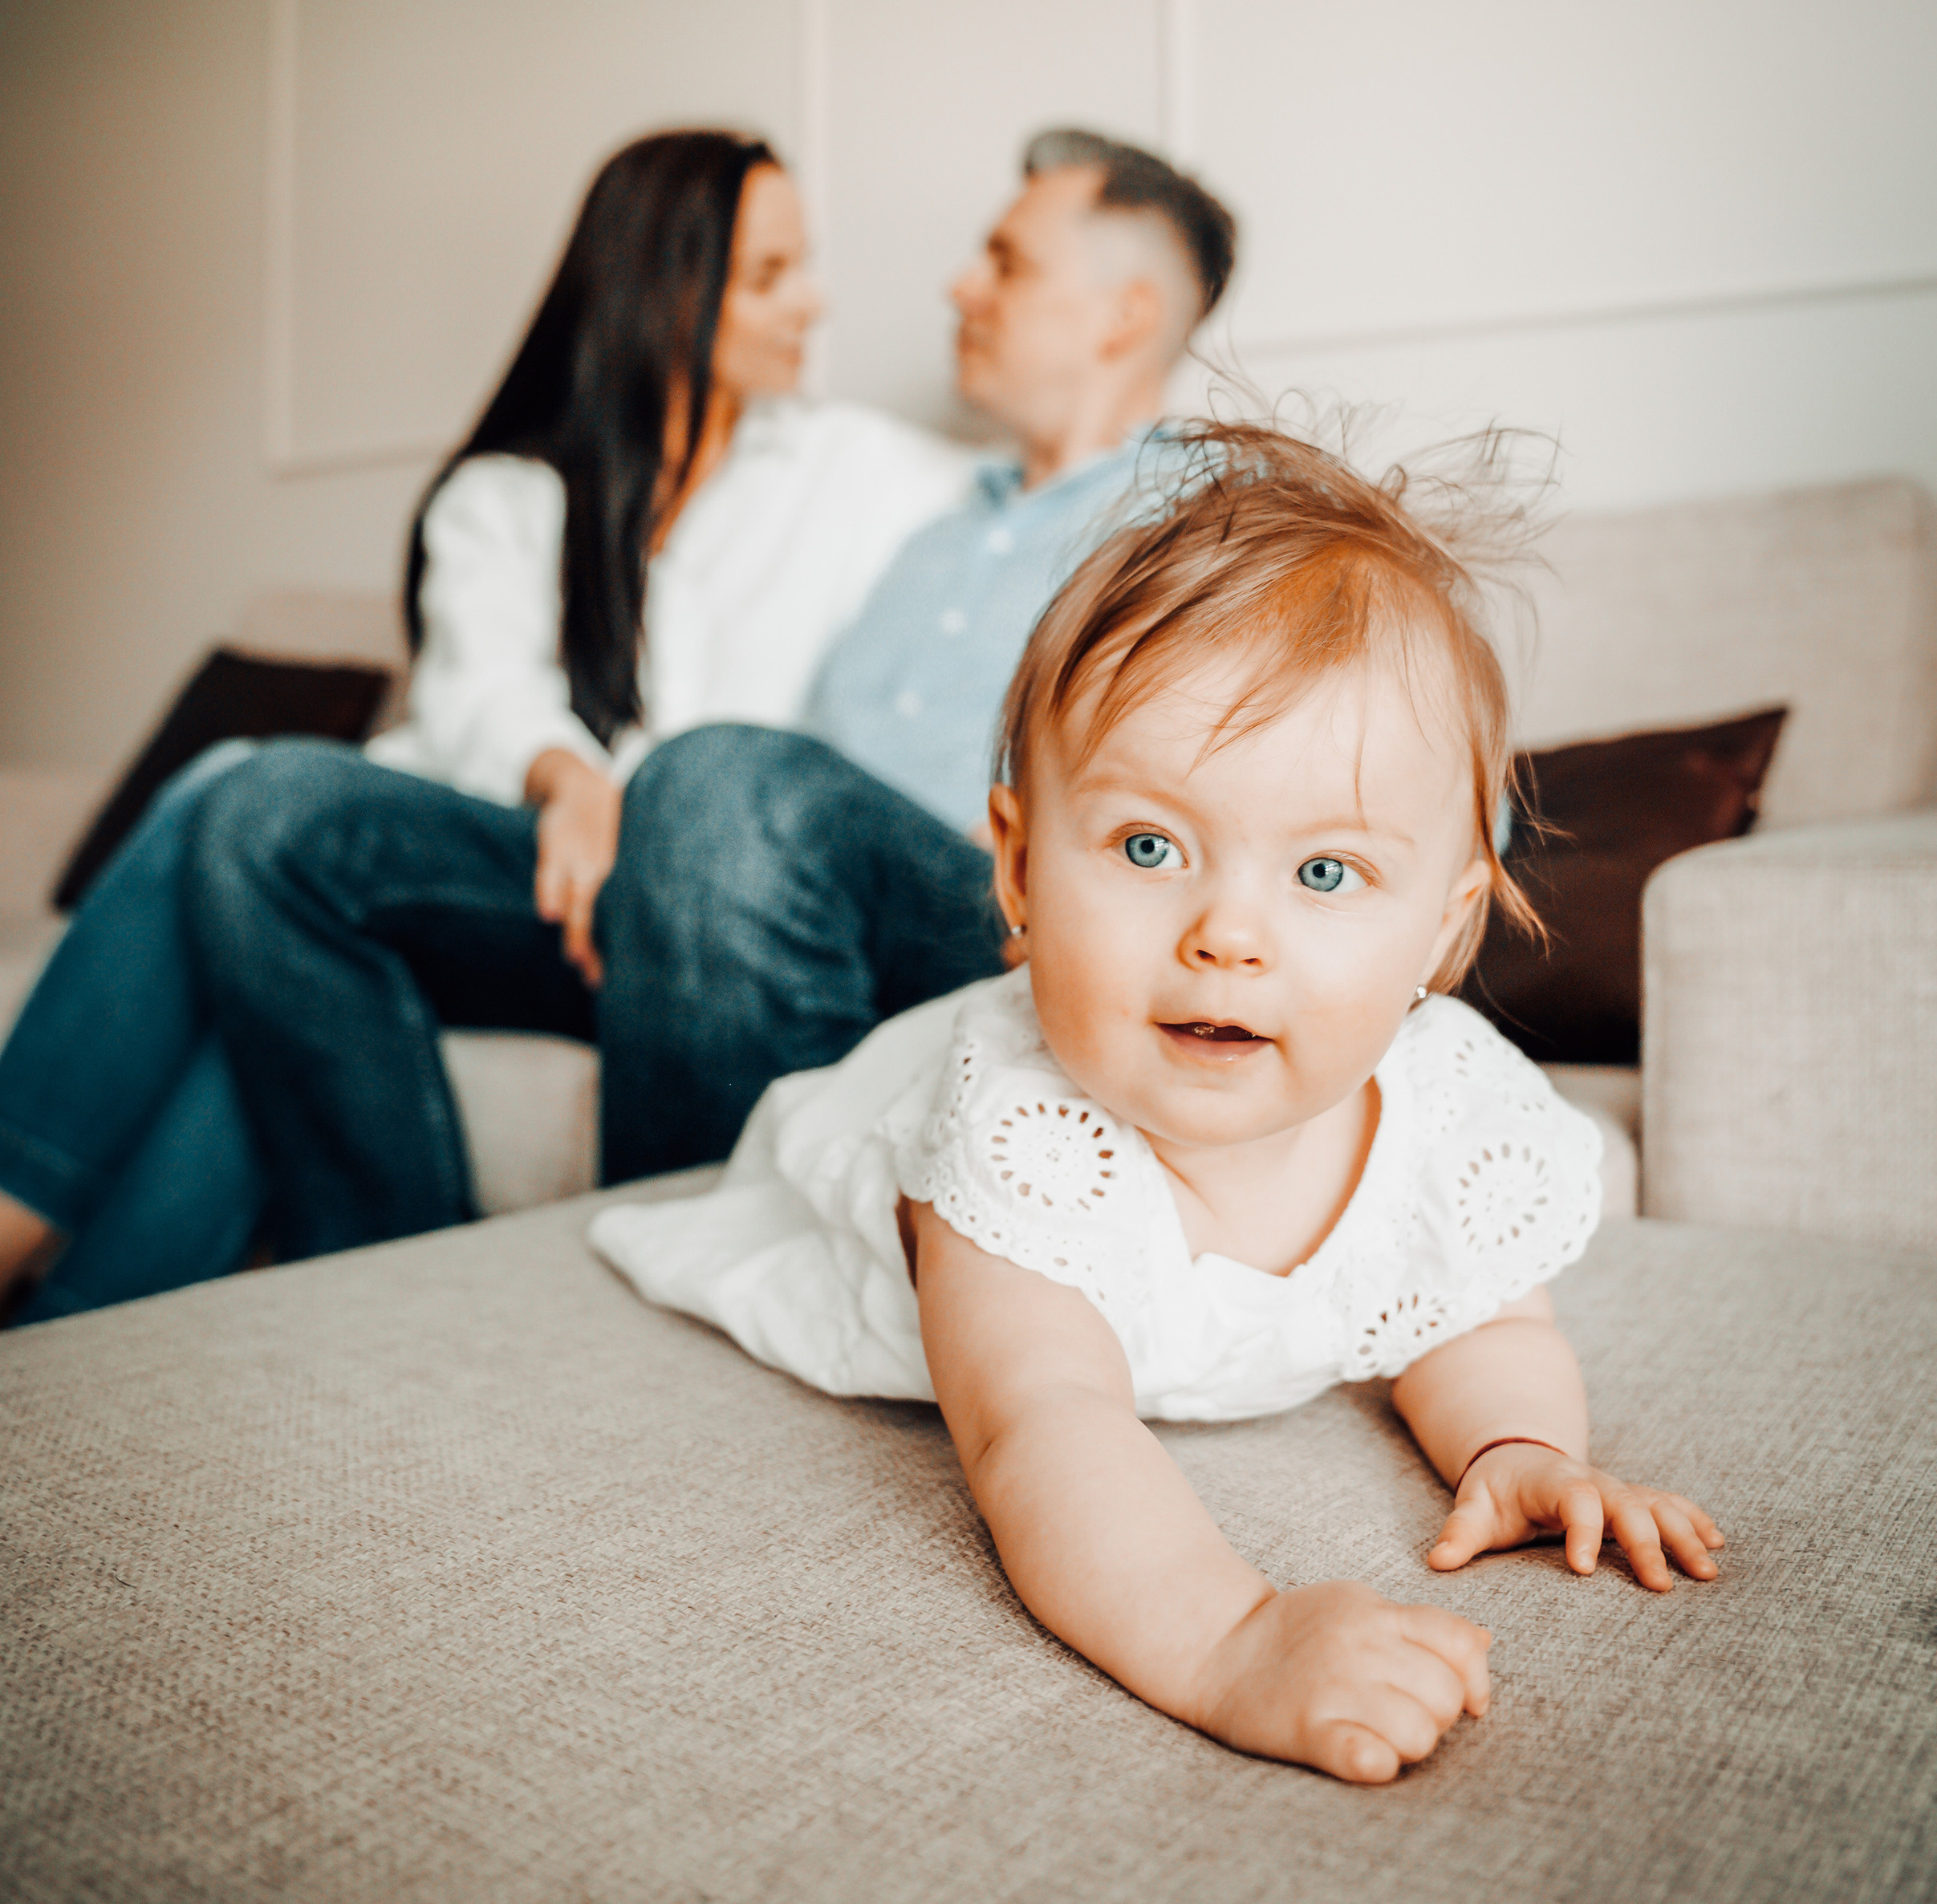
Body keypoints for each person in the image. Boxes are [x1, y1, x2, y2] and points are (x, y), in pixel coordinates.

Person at [591, 425, 1725, 1785]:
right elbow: (1041, 1425)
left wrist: (1521, 1446)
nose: (1227, 934)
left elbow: (1478, 1314)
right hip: (866, 1169)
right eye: (1149, 845)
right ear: (1018, 866)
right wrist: (1231, 1641)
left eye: (1325, 873)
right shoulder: (1023, 1140)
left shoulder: (1449, 1109)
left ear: (1443, 925)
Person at [0, 128, 964, 1351]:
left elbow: (1042, 486)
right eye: (771, 275)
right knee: (255, 812)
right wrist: (570, 782)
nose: (814, 303)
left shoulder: (851, 466)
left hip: (694, 902)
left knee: (231, 806)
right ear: (665, 284)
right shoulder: (508, 494)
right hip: (522, 884)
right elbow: (482, 689)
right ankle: (68, 1341)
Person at [190, 127, 1239, 1216]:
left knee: (707, 775)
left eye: (1008, 263)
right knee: (270, 809)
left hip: (984, 902)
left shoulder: (1199, 519)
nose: (961, 287)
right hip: (768, 879)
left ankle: (688, 1258)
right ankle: (398, 1279)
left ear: (1124, 316)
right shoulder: (928, 517)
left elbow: (1229, 774)